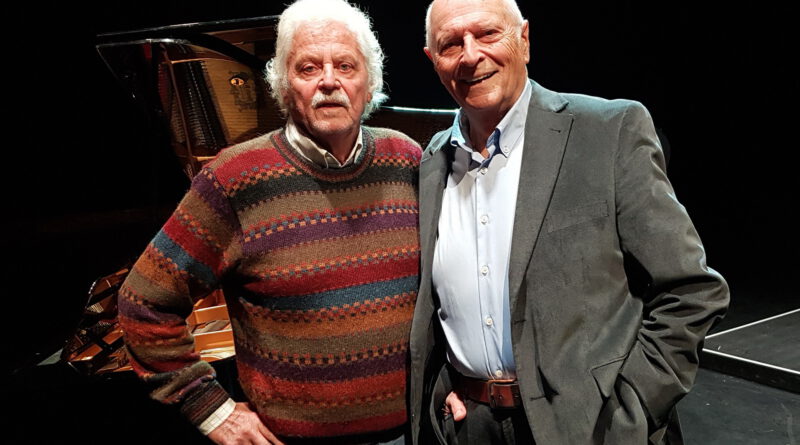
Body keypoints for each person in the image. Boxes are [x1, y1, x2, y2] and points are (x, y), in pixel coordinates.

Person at [408, 0, 729, 444]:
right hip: (470, 428)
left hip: (590, 431)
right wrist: (446, 388)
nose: (470, 55)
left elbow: (692, 290)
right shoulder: (431, 163)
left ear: (523, 39)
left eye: (486, 34)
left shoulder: (608, 131)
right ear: (432, 61)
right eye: (450, 44)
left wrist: (630, 412)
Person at [118, 1, 421, 444]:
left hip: (413, 434)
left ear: (369, 80)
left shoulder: (407, 159)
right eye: (308, 67)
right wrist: (213, 412)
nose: (330, 81)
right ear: (282, 84)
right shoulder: (234, 178)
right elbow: (143, 304)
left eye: (346, 66)